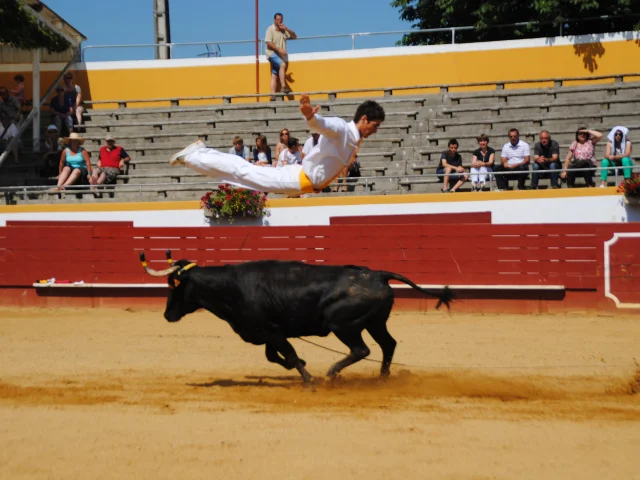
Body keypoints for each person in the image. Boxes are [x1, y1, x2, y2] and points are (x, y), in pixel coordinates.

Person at [168, 95, 385, 196]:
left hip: (302, 179)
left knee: (244, 175)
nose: (375, 130)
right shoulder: (343, 129)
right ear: (364, 119)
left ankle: (199, 155)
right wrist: (311, 117)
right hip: (298, 179)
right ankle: (197, 154)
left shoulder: (354, 139)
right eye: (374, 125)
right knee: (244, 173)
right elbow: (325, 124)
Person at [265, 12, 296, 101]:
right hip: (271, 54)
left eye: (281, 19)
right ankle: (283, 87)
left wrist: (287, 29)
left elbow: (294, 36)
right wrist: (279, 50)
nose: (279, 21)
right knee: (282, 65)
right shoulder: (270, 29)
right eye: (278, 19)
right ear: (274, 20)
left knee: (274, 75)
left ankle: (272, 95)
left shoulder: (283, 30)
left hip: (279, 56)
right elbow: (268, 42)